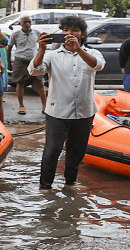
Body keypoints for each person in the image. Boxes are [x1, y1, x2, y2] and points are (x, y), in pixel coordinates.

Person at [30, 15, 105, 189]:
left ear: (83, 33)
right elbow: (34, 71)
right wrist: (41, 49)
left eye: (74, 30)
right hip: (57, 112)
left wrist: (78, 50)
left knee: (76, 152)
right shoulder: (52, 55)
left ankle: (70, 184)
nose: (69, 34)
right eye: (65, 30)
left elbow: (98, 66)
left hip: (84, 111)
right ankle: (45, 187)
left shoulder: (92, 53)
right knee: (52, 151)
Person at [7, 15, 46, 115]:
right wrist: (9, 63)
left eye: (29, 22)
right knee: (20, 82)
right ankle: (21, 106)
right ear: (20, 23)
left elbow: (43, 45)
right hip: (20, 60)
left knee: (39, 83)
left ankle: (45, 106)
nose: (27, 24)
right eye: (25, 22)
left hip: (34, 61)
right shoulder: (15, 34)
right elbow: (9, 48)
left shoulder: (37, 33)